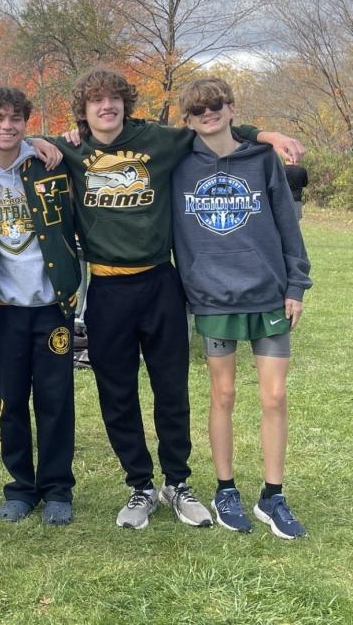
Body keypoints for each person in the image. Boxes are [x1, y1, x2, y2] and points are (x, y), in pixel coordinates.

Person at [51, 67, 304, 530]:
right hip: (106, 288)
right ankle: (140, 485)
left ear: (126, 103)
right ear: (83, 112)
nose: (106, 107)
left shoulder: (160, 140)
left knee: (171, 388)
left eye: (114, 99)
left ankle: (178, 482)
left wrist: (263, 132)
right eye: (95, 102)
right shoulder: (70, 147)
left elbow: (215, 126)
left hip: (160, 283)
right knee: (117, 391)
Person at [172, 77, 312, 538]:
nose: (207, 114)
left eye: (216, 105)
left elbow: (288, 226)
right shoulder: (177, 160)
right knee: (224, 395)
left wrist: (296, 284)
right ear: (187, 119)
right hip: (213, 297)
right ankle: (225, 488)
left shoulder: (262, 158)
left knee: (274, 397)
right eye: (197, 110)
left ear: (231, 108)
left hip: (268, 294)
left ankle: (273, 496)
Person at [0, 87, 81, 525]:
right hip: (2, 307)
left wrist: (43, 144)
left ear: (27, 124)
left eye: (15, 119)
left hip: (52, 304)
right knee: (10, 401)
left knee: (55, 399)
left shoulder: (50, 163)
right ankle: (20, 487)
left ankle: (57, 489)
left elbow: (92, 144)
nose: (6, 126)